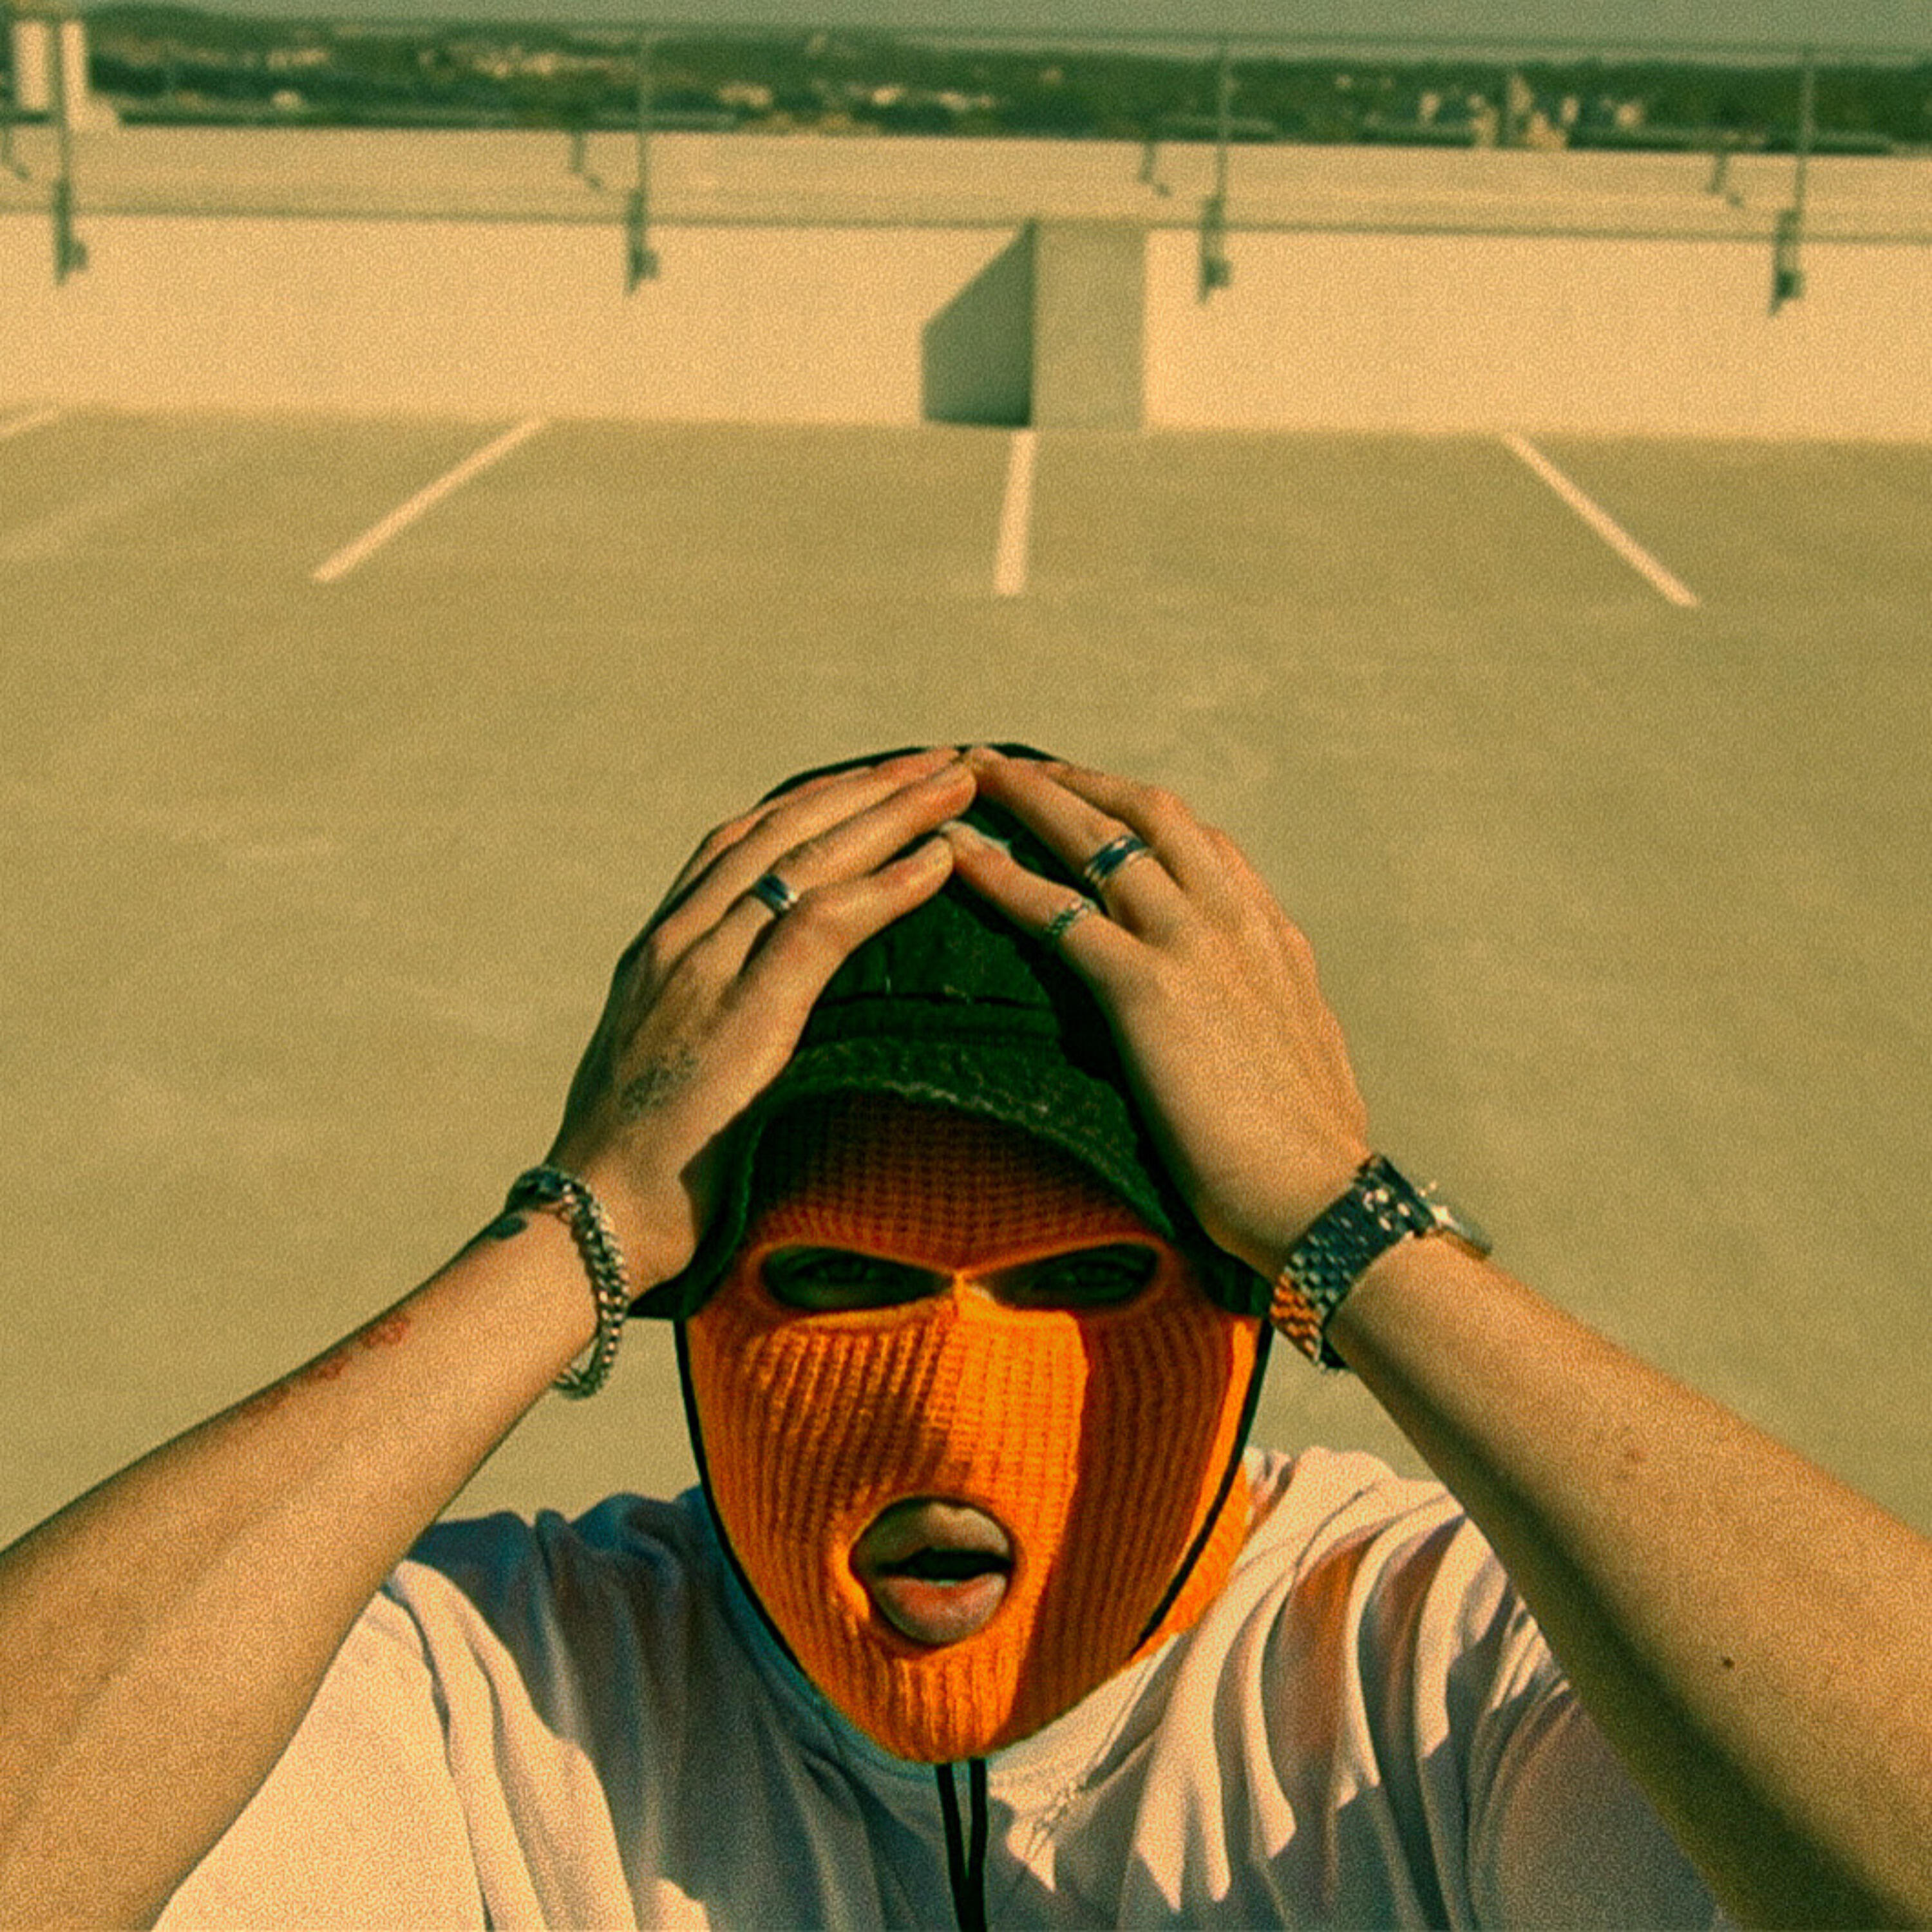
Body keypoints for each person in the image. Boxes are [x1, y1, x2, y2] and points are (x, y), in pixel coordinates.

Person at [1, 743, 1928, 1929]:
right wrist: (566, 1234)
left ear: (1258, 1307)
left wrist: (1354, 1227)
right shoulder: (507, 1701)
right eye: (841, 1286)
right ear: (688, 1298)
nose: (944, 1411)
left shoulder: (1424, 1676)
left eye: (1085, 1286)